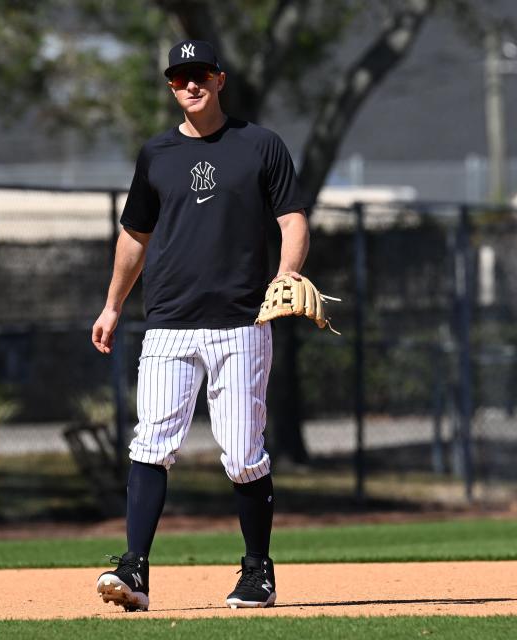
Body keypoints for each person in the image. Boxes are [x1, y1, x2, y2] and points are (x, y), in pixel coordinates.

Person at [91, 38, 310, 612]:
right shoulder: (156, 154)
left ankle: (258, 571)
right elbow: (134, 236)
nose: (190, 84)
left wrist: (286, 276)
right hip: (167, 322)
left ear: (220, 79)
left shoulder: (259, 145)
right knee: (151, 443)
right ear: (170, 85)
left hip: (240, 322)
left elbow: (292, 219)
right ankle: (134, 570)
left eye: (200, 74)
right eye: (179, 76)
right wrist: (113, 305)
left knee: (241, 453)